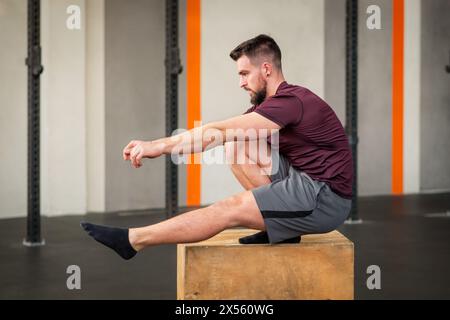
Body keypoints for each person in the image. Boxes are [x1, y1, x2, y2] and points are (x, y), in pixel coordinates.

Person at [81, 34, 353, 260]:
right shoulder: (271, 105)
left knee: (230, 209)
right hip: (303, 180)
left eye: (245, 73)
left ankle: (134, 240)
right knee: (238, 143)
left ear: (267, 69)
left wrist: (158, 145)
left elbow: (219, 130)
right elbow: (225, 136)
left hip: (325, 198)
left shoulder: (290, 101)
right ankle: (283, 227)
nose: (241, 82)